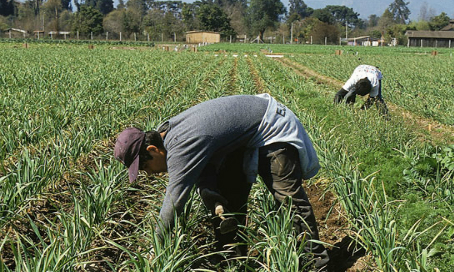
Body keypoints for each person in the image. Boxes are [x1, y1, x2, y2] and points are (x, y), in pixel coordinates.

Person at [113, 93, 329, 270]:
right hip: (244, 134)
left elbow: (174, 202)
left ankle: (316, 262)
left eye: (144, 167)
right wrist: (213, 198)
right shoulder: (165, 134)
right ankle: (233, 261)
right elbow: (202, 168)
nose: (148, 174)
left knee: (287, 197)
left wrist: (155, 247)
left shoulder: (179, 146)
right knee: (229, 193)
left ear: (152, 150)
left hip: (272, 124)